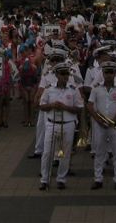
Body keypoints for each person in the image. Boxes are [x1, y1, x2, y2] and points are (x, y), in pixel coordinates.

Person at [39, 60, 83, 190]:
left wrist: (65, 107)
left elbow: (79, 108)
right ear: (57, 75)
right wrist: (52, 105)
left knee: (64, 153)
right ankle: (44, 179)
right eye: (62, 74)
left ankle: (61, 179)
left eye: (66, 74)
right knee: (47, 153)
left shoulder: (73, 90)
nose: (65, 77)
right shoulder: (49, 89)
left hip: (68, 124)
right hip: (52, 123)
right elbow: (41, 105)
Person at [88, 60, 116, 190]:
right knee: (99, 152)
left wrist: (113, 121)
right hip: (100, 124)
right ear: (103, 73)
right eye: (106, 72)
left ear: (114, 74)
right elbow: (90, 105)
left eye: (111, 72)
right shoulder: (96, 88)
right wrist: (99, 120)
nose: (108, 75)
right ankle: (98, 179)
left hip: (115, 124)